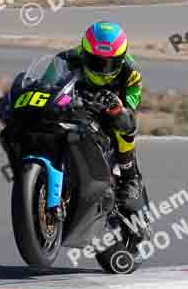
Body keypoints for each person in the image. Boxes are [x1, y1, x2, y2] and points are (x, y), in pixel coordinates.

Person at [56, 21, 144, 203]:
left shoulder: (131, 73)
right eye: (96, 62)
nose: (103, 70)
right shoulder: (66, 59)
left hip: (111, 107)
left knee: (124, 125)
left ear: (122, 59)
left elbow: (131, 117)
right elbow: (45, 85)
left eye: (111, 64)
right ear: (84, 52)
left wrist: (120, 111)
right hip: (75, 104)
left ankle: (130, 177)